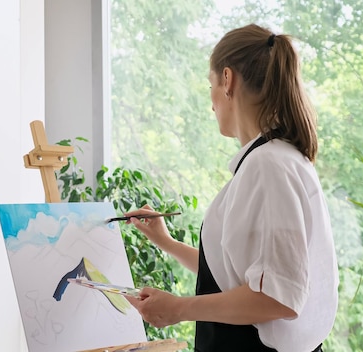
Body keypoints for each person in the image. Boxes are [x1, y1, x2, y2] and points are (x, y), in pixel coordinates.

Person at [123, 23, 339, 352]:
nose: (211, 104)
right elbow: (238, 276)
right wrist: (166, 242)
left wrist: (179, 309)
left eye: (210, 85)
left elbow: (276, 298)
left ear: (227, 80)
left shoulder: (269, 165)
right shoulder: (274, 159)